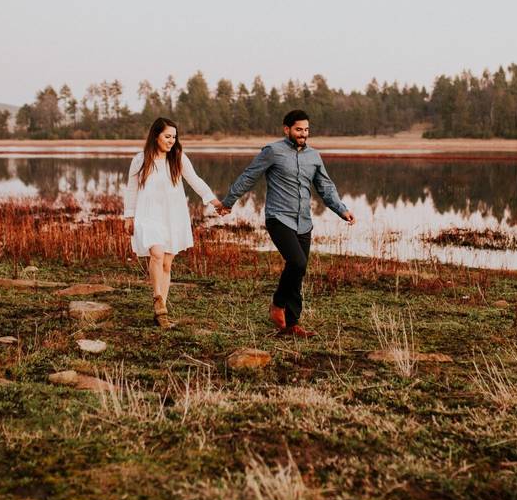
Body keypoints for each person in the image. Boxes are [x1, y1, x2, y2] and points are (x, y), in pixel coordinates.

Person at [221, 109, 355, 337]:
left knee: (298, 271)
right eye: (299, 129)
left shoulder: (314, 156)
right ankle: (277, 304)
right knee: (297, 262)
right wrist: (229, 201)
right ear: (287, 129)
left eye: (306, 130)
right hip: (278, 218)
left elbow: (325, 186)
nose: (303, 134)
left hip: (304, 221)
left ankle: (291, 325)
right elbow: (248, 176)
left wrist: (341, 210)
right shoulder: (272, 151)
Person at [123, 117, 228, 329]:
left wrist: (215, 201)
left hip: (173, 215)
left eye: (174, 137)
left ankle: (161, 311)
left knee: (167, 264)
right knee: (156, 254)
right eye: (167, 136)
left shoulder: (178, 158)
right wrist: (129, 216)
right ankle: (158, 301)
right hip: (148, 214)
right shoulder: (140, 159)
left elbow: (195, 180)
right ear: (156, 136)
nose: (171, 141)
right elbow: (131, 188)